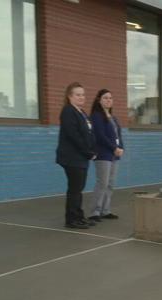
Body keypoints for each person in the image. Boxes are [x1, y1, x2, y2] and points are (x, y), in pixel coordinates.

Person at [56, 82, 95, 229]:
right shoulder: (68, 111)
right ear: (69, 96)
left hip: (82, 157)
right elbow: (74, 136)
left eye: (83, 95)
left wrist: (93, 149)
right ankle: (72, 219)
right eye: (78, 95)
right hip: (72, 157)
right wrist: (88, 152)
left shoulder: (82, 112)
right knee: (75, 189)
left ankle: (79, 216)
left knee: (78, 189)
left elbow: (89, 133)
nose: (81, 97)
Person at [88, 89, 124, 222]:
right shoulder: (96, 116)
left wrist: (121, 148)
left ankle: (105, 210)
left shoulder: (113, 118)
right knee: (102, 183)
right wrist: (114, 148)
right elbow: (100, 135)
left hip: (115, 155)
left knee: (110, 184)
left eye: (110, 98)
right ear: (99, 100)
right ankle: (95, 212)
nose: (108, 100)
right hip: (103, 154)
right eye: (105, 98)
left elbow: (118, 135)